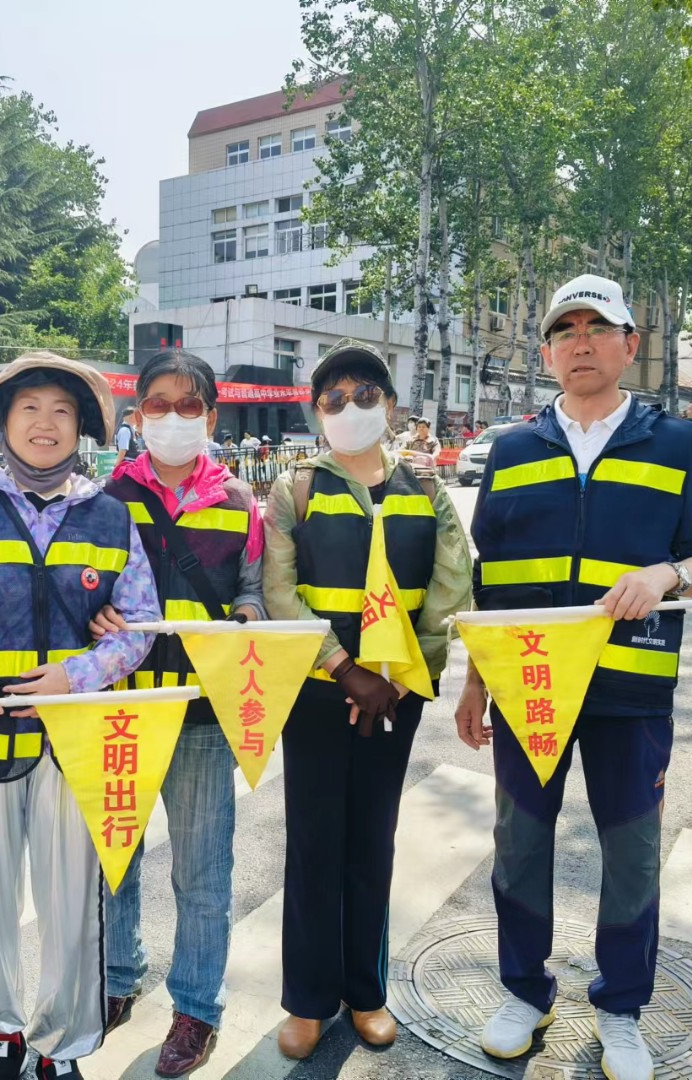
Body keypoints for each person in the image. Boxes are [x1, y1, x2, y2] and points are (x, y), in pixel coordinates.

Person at [455, 275, 692, 1080]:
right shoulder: (513, 449)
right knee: (519, 842)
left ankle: (621, 1009)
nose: (580, 342)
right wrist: (476, 681)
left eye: (596, 327)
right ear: (547, 352)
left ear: (628, 345)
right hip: (529, 684)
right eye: (565, 330)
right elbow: (489, 580)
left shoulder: (674, 442)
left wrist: (666, 575)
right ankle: (523, 992)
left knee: (632, 853)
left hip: (630, 688)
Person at [0, 352, 162, 1080]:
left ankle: (64, 1045)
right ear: (2, 424)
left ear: (81, 428)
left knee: (72, 897)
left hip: (76, 738)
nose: (45, 424)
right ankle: (1, 1034)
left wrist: (78, 676)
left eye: (61, 411)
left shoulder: (110, 516)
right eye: (29, 409)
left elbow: (140, 624)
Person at [263, 343, 473, 1061]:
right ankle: (307, 1001)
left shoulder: (426, 489)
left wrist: (402, 679)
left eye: (365, 394)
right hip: (319, 691)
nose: (350, 407)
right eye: (334, 397)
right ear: (315, 411)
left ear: (390, 405)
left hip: (396, 692)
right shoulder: (294, 489)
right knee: (314, 840)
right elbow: (279, 592)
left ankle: (366, 991)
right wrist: (343, 669)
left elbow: (451, 586)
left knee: (372, 838)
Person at [90, 349, 266, 1076]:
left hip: (200, 713)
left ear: (211, 418)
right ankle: (115, 979)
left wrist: (247, 616)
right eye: (158, 404)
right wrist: (91, 612)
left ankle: (196, 1007)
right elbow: (79, 584)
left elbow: (253, 587)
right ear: (137, 417)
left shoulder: (239, 502)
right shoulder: (107, 498)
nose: (172, 417)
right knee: (113, 861)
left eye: (188, 405)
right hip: (119, 709)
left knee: (203, 873)